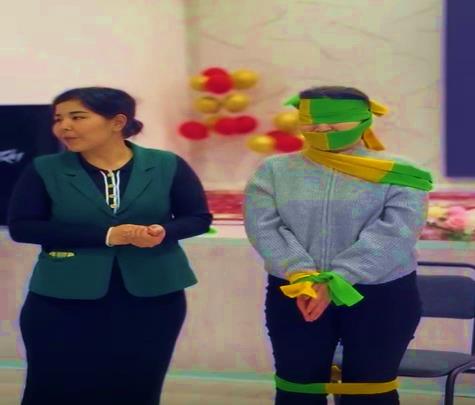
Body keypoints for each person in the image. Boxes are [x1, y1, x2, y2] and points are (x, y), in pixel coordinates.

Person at [7, 86, 212, 405]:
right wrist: (108, 235)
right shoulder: (44, 169)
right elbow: (23, 227)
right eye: (58, 119)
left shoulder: (167, 164)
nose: (64, 127)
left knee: (136, 386)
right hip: (62, 296)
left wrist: (163, 231)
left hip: (153, 295)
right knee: (53, 386)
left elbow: (197, 217)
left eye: (77, 117)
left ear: (117, 122)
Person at [244, 86, 432, 405]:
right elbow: (264, 226)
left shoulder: (401, 173)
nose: (322, 127)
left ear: (364, 118)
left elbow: (397, 232)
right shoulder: (274, 170)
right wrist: (301, 273)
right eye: (312, 119)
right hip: (298, 291)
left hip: (380, 294)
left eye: (334, 118)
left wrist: (339, 279)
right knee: (297, 388)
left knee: (370, 391)